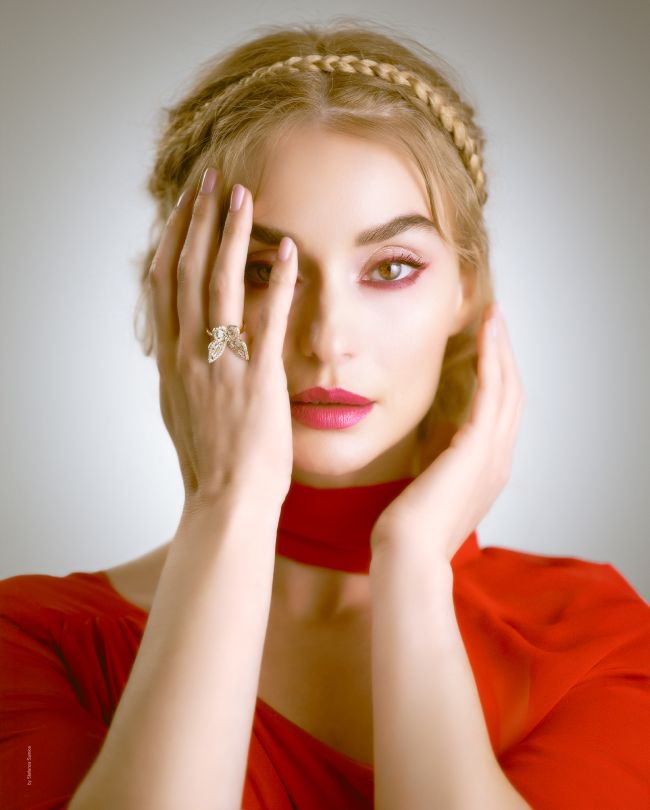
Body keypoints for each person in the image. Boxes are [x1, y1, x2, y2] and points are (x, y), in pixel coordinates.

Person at [1, 20, 648, 810]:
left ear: (466, 292)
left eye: (391, 267)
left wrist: (411, 566)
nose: (325, 339)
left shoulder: (597, 635)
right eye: (263, 269)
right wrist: (228, 504)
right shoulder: (32, 636)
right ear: (178, 290)